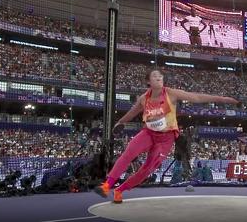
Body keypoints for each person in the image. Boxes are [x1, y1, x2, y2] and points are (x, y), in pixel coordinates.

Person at [95, 69, 238, 203]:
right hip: (148, 134)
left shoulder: (171, 93)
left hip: (165, 139)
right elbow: (132, 113)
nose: (158, 77)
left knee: (147, 170)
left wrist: (222, 99)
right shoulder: (143, 98)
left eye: (160, 76)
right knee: (128, 153)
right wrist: (120, 122)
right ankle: (107, 186)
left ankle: (120, 190)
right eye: (154, 76)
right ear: (148, 82)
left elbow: (196, 97)